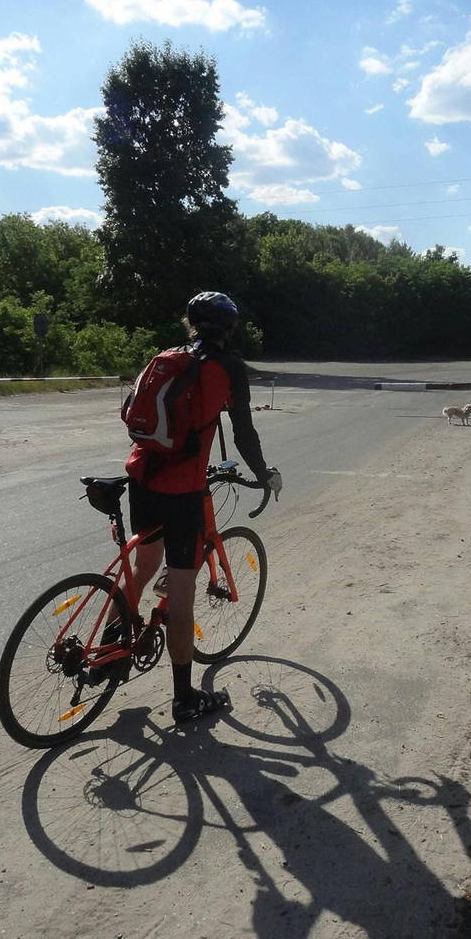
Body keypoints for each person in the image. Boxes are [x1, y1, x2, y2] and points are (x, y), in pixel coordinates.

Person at [125, 291, 281, 723]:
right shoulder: (228, 367)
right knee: (181, 590)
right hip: (182, 490)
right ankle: (184, 699)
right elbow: (244, 432)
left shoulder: (166, 357)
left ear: (189, 323)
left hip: (141, 474)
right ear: (230, 329)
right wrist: (263, 473)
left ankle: (115, 642)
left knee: (143, 566)